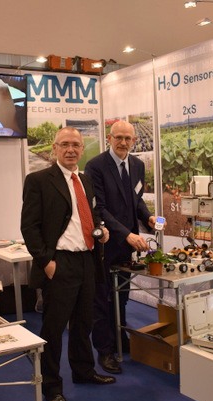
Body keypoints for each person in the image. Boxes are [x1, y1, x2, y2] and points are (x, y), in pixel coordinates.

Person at [20, 126, 115, 401]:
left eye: (76, 144)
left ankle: (83, 371)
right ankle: (51, 386)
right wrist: (46, 262)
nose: (71, 149)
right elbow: (29, 226)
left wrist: (100, 229)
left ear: (82, 148)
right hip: (59, 263)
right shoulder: (38, 180)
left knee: (84, 322)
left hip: (87, 260)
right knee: (54, 328)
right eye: (65, 144)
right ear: (55, 148)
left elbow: (92, 214)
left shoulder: (85, 180)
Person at [84, 120, 156, 374]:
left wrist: (147, 217)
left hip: (127, 244)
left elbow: (137, 199)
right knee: (103, 298)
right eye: (119, 138)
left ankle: (119, 338)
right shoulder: (95, 166)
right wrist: (126, 234)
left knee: (122, 295)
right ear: (109, 138)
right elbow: (100, 209)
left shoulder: (137, 165)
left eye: (128, 138)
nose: (123, 142)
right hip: (106, 244)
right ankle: (104, 350)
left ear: (134, 140)